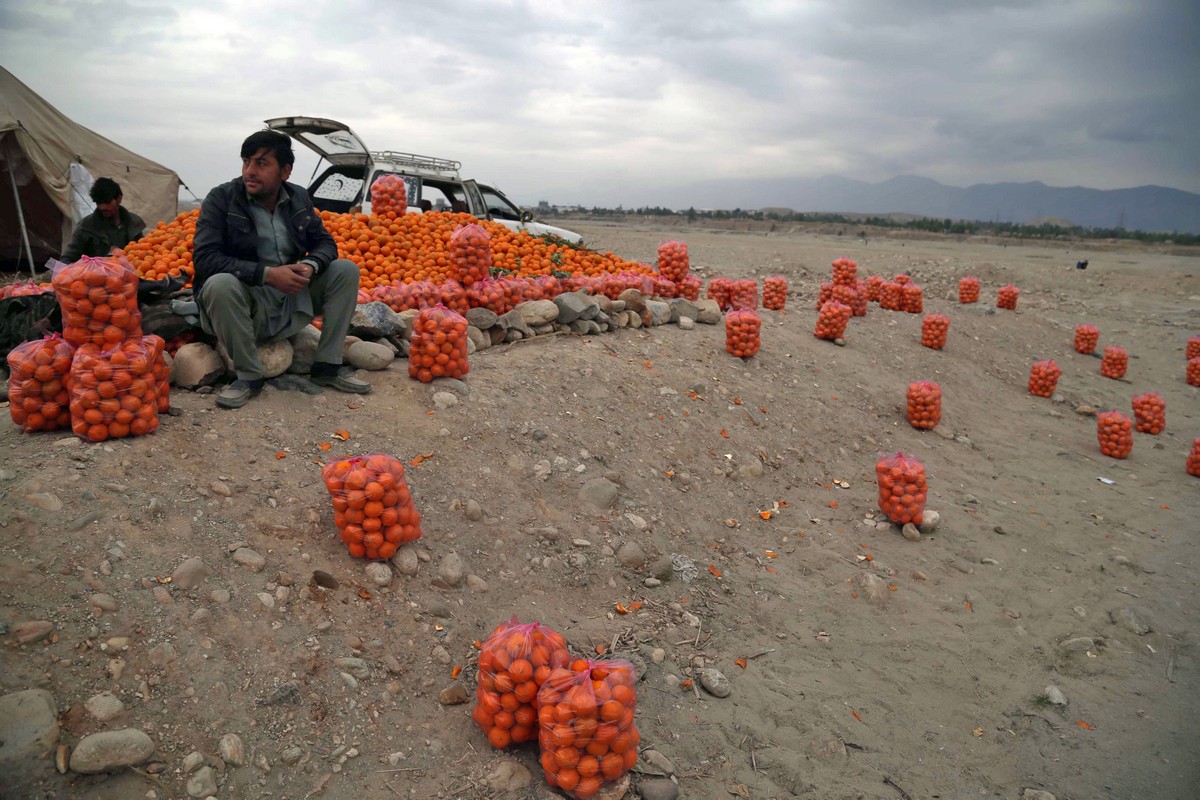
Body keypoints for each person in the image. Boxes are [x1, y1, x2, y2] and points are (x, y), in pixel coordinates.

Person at [192, 130, 370, 409]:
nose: (250, 171)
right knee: (219, 284)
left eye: (262, 163)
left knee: (345, 269)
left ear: (285, 171)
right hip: (246, 301)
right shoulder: (222, 199)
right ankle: (248, 377)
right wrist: (267, 274)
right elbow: (205, 258)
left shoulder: (298, 197)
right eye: (246, 161)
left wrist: (310, 265)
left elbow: (324, 242)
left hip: (291, 297)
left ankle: (327, 366)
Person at [61, 177, 146, 262]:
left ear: (119, 199)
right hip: (97, 274)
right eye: (99, 203)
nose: (103, 207)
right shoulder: (86, 227)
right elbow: (68, 258)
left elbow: (143, 253)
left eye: (107, 202)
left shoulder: (133, 223)